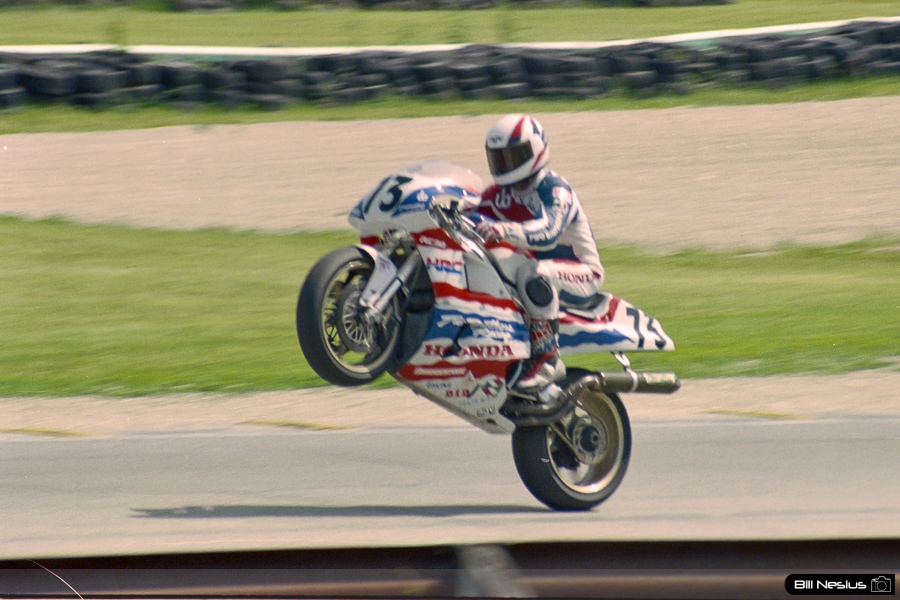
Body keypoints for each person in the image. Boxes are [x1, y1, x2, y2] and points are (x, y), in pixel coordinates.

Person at [470, 114, 605, 400]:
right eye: (500, 158)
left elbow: (548, 231)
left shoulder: (555, 189)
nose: (507, 165)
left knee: (534, 274)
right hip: (537, 268)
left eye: (515, 155)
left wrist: (502, 229)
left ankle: (548, 361)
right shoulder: (499, 194)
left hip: (581, 272)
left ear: (535, 150)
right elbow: (473, 218)